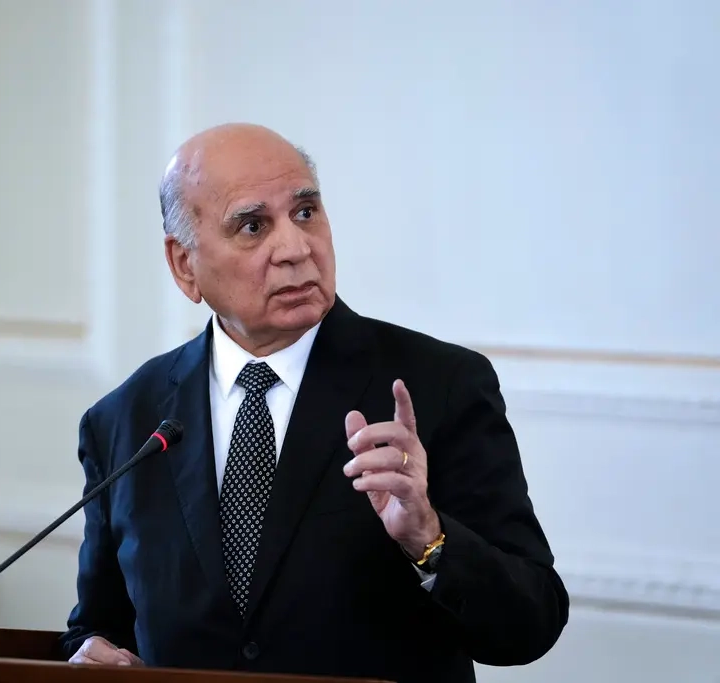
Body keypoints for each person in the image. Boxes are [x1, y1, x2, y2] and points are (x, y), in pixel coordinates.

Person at [59, 123, 569, 682]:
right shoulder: (124, 420)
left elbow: (533, 620)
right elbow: (99, 626)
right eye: (253, 226)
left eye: (305, 213)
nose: (296, 249)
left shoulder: (439, 385)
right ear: (184, 264)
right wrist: (89, 651)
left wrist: (429, 539)